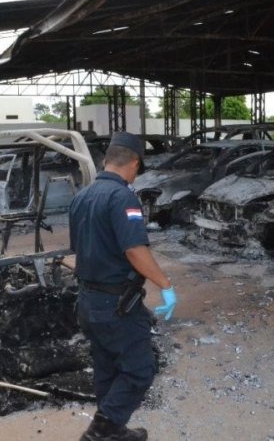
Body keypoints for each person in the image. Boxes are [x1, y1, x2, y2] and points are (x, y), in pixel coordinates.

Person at [70, 132, 177, 441]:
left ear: (105, 161)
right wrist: (165, 284)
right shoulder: (122, 197)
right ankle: (99, 432)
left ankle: (112, 432)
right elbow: (134, 250)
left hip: (88, 302)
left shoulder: (81, 197)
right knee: (139, 369)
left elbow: (77, 250)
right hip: (116, 306)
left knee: (107, 369)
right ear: (134, 163)